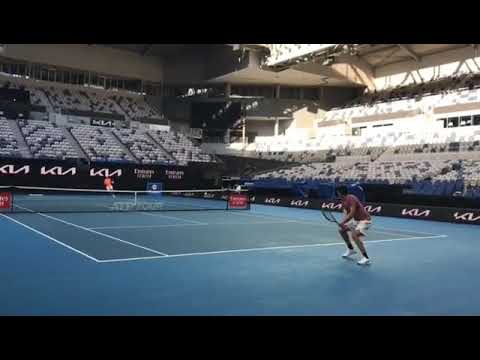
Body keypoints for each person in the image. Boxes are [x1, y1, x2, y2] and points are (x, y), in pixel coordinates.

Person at [336, 185, 372, 266]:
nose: (337, 194)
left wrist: (343, 222)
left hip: (365, 220)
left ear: (340, 193)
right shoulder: (343, 201)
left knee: (354, 235)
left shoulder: (351, 198)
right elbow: (347, 214)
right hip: (356, 221)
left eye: (337, 193)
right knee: (341, 230)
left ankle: (366, 258)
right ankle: (351, 249)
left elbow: (352, 213)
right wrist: (344, 224)